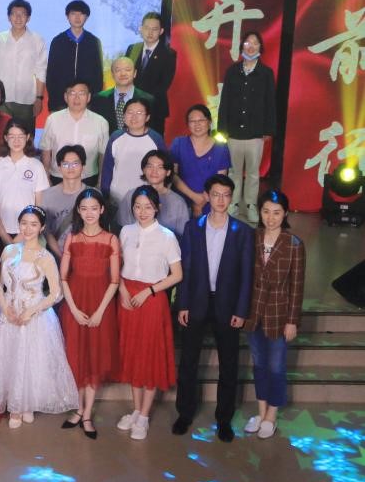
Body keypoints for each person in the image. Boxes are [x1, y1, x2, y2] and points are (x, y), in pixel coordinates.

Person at [173, 174, 254, 442]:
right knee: (188, 362)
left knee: (229, 365)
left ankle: (224, 419)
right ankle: (184, 413)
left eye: (226, 195)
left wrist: (241, 310)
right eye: (216, 194)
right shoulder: (193, 227)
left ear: (231, 198)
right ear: (207, 196)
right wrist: (183, 303)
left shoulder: (243, 232)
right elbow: (185, 268)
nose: (220, 200)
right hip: (196, 301)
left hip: (227, 305)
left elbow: (247, 275)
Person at [0, 206, 77, 428]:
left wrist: (30, 311)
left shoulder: (45, 257)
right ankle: (15, 407)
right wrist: (5, 307)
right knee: (11, 357)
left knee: (31, 360)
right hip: (9, 313)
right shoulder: (9, 251)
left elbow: (56, 293)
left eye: (33, 224)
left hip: (34, 315)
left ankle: (26, 404)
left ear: (42, 227)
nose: (27, 229)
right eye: (24, 223)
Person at [115, 186, 182, 441]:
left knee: (150, 356)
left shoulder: (167, 237)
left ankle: (144, 415)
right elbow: (118, 266)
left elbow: (177, 275)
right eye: (137, 206)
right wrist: (122, 290)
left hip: (152, 299)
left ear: (157, 208)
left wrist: (149, 291)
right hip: (127, 297)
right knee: (132, 354)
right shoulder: (125, 231)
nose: (142, 212)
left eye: (148, 207)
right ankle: (135, 409)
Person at [58, 189, 120, 440]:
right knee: (77, 356)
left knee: (94, 358)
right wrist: (73, 309)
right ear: (78, 211)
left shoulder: (111, 239)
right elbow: (63, 277)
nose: (89, 213)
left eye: (94, 208)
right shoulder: (72, 238)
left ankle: (86, 414)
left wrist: (100, 312)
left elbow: (114, 281)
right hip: (75, 304)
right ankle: (78, 408)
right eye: (84, 209)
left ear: (102, 210)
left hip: (100, 306)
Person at [243, 189, 305, 440]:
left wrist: (292, 321)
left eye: (276, 213)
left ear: (285, 214)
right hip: (253, 312)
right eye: (266, 212)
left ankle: (272, 414)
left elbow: (297, 287)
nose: (270, 218)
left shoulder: (294, 244)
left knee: (276, 366)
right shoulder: (252, 238)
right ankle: (261, 412)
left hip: (279, 314)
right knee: (258, 363)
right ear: (260, 212)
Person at [217, 31, 276, 224]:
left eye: (255, 43)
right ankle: (233, 203)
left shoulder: (266, 73)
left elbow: (270, 103)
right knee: (234, 171)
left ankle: (250, 205)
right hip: (234, 132)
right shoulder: (232, 71)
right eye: (247, 43)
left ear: (260, 47)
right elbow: (225, 101)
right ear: (242, 46)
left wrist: (268, 129)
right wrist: (222, 128)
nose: (251, 47)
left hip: (255, 132)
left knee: (252, 172)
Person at [0, 120, 50, 245]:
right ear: (6, 138)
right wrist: (3, 234)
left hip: (28, 232)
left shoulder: (36, 165)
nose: (16, 141)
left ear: (27, 137)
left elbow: (39, 205)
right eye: (12, 136)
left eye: (20, 136)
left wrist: (23, 234)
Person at [0, 0, 47, 132]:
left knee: (25, 136)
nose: (18, 18)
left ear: (28, 18)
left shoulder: (37, 40)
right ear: (9, 17)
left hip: (27, 99)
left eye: (22, 14)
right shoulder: (0, 38)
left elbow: (41, 70)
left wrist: (39, 98)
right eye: (14, 14)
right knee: (1, 136)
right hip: (3, 98)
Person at [99, 99, 166, 215]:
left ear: (147, 117)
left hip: (146, 201)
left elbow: (165, 169)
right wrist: (105, 194)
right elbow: (107, 169)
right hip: (117, 198)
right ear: (124, 116)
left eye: (139, 113)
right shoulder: (116, 137)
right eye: (130, 112)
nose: (134, 117)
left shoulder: (156, 139)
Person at [39, 80, 109, 186]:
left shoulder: (101, 122)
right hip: (58, 177)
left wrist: (100, 182)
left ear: (88, 97)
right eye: (72, 93)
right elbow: (46, 150)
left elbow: (103, 155)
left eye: (81, 93)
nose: (77, 98)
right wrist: (46, 177)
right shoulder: (53, 119)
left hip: (88, 178)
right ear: (65, 97)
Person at [171, 105, 231, 218]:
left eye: (201, 120)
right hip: (182, 202)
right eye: (192, 121)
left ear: (209, 122)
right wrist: (194, 197)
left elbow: (221, 179)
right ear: (188, 124)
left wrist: (203, 200)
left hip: (210, 202)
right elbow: (173, 175)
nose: (197, 124)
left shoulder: (221, 148)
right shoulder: (179, 143)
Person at [45, 0, 104, 114]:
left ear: (86, 17)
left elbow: (98, 75)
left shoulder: (93, 42)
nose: (77, 17)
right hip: (60, 102)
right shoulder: (58, 41)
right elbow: (51, 74)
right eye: (73, 14)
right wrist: (54, 101)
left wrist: (92, 99)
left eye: (81, 14)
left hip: (87, 102)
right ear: (67, 16)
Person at [115, 150, 190, 238]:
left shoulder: (178, 202)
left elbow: (183, 236)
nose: (154, 171)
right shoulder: (131, 195)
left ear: (168, 172)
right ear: (144, 170)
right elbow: (120, 227)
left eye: (160, 167)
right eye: (150, 166)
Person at [126, 12, 177, 137]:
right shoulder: (132, 49)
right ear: (141, 29)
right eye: (147, 28)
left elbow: (163, 85)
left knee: (152, 143)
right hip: (132, 108)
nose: (150, 32)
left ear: (161, 31)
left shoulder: (168, 54)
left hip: (155, 109)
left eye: (154, 29)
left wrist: (141, 104)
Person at [41, 146, 95, 259]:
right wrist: (62, 257)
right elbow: (46, 231)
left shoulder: (94, 194)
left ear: (83, 166)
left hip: (86, 255)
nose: (70, 168)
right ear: (59, 168)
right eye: (65, 164)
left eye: (75, 164)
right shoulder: (47, 195)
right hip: (55, 255)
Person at [92, 57, 155, 134]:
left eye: (127, 70)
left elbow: (154, 131)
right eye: (118, 70)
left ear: (135, 73)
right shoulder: (98, 99)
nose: (123, 74)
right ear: (112, 74)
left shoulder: (149, 100)